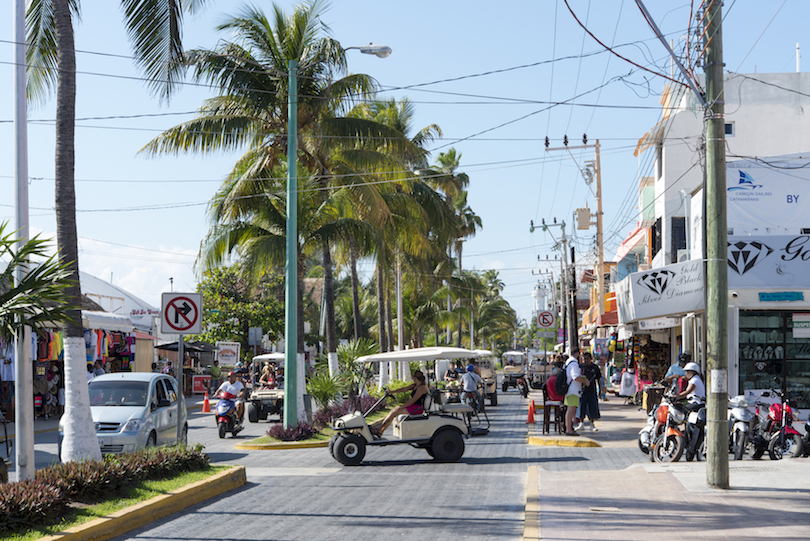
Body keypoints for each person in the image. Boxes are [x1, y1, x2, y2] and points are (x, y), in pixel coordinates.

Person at [370, 370, 428, 438]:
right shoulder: (415, 385)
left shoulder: (421, 388)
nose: (412, 379)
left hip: (417, 408)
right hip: (413, 407)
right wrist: (392, 391)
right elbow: (404, 389)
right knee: (393, 411)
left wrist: (402, 406)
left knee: (395, 411)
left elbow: (413, 400)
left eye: (413, 377)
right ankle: (380, 431)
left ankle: (379, 429)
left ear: (415, 378)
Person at [564, 349, 589, 436]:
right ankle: (569, 430)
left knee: (570, 410)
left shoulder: (568, 362)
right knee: (571, 409)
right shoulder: (574, 364)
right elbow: (575, 377)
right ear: (577, 353)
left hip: (570, 390)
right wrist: (585, 381)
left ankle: (569, 428)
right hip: (573, 390)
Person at [578, 352, 602, 432]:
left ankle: (592, 424)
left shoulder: (595, 368)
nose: (586, 360)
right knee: (582, 407)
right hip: (582, 391)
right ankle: (581, 423)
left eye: (587, 359)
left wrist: (600, 391)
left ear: (591, 359)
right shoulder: (580, 367)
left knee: (592, 408)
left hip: (592, 391)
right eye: (584, 359)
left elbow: (599, 379)